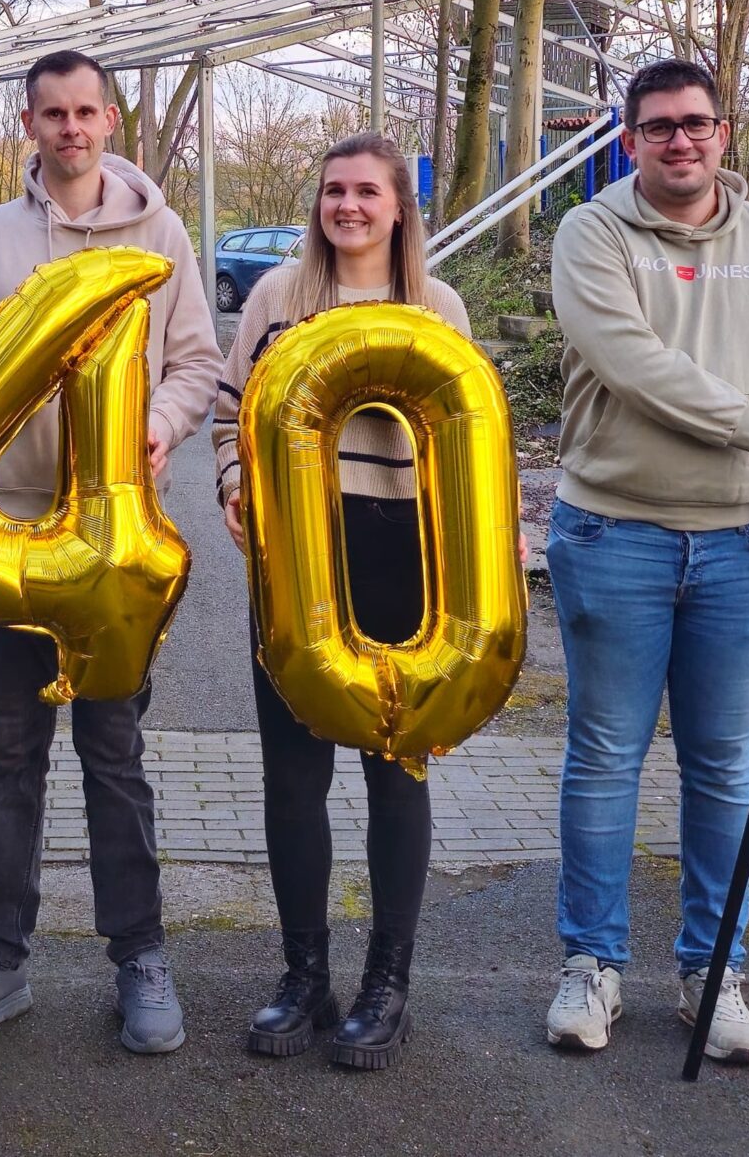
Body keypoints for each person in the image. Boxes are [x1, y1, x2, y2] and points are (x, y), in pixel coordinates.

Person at [540, 57, 749, 1065]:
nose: (680, 140)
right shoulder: (592, 234)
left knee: (723, 767)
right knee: (604, 759)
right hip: (613, 534)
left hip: (742, 543)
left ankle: (711, 970)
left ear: (724, 132)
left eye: (696, 123)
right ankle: (591, 965)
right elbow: (636, 366)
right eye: (658, 126)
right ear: (628, 139)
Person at [0, 49, 222, 1055]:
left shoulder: (161, 233)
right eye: (52, 112)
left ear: (109, 117)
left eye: (86, 110)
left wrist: (161, 422)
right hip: (9, 542)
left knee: (116, 757)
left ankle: (139, 955)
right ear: (29, 123)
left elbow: (196, 365)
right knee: (10, 760)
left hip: (117, 548)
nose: (71, 127)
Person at [211, 133, 469, 1072]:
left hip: (402, 551)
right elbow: (229, 408)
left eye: (367, 192)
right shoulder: (279, 299)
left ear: (400, 207)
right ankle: (304, 975)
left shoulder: (435, 308)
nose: (347, 206)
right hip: (298, 550)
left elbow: (467, 441)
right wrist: (235, 479)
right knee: (293, 773)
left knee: (397, 765)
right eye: (332, 191)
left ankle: (387, 983)